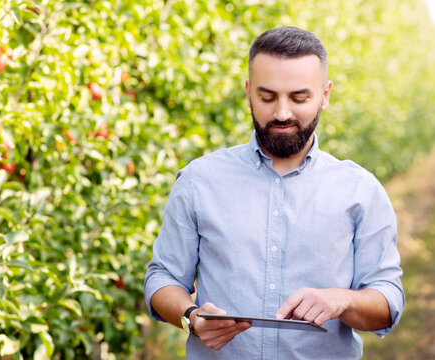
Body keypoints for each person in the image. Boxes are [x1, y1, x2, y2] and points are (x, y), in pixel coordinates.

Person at [144, 26, 404, 359]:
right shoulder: (200, 180)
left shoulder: (360, 190)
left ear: (325, 95)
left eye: (299, 97)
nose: (282, 113)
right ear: (249, 92)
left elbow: (388, 300)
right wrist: (191, 317)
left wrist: (343, 299)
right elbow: (162, 276)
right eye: (267, 97)